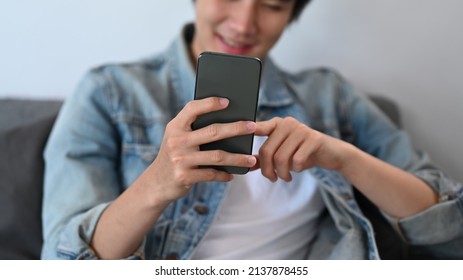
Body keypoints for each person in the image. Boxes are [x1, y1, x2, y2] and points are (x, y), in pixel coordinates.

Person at [41, 0, 463, 260]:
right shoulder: (110, 92)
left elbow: (448, 232)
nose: (245, 23)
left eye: (274, 5)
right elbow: (62, 261)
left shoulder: (330, 96)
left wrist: (344, 157)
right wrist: (157, 183)